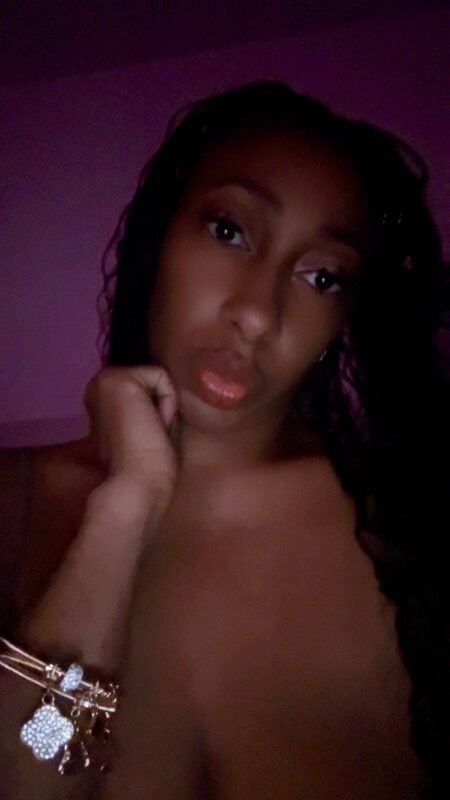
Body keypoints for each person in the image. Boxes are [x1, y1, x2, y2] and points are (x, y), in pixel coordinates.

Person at [0, 80, 448, 800]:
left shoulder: (406, 529)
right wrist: (126, 507)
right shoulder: (17, 503)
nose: (257, 314)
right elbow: (29, 777)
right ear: (160, 235)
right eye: (230, 231)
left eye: (322, 276)